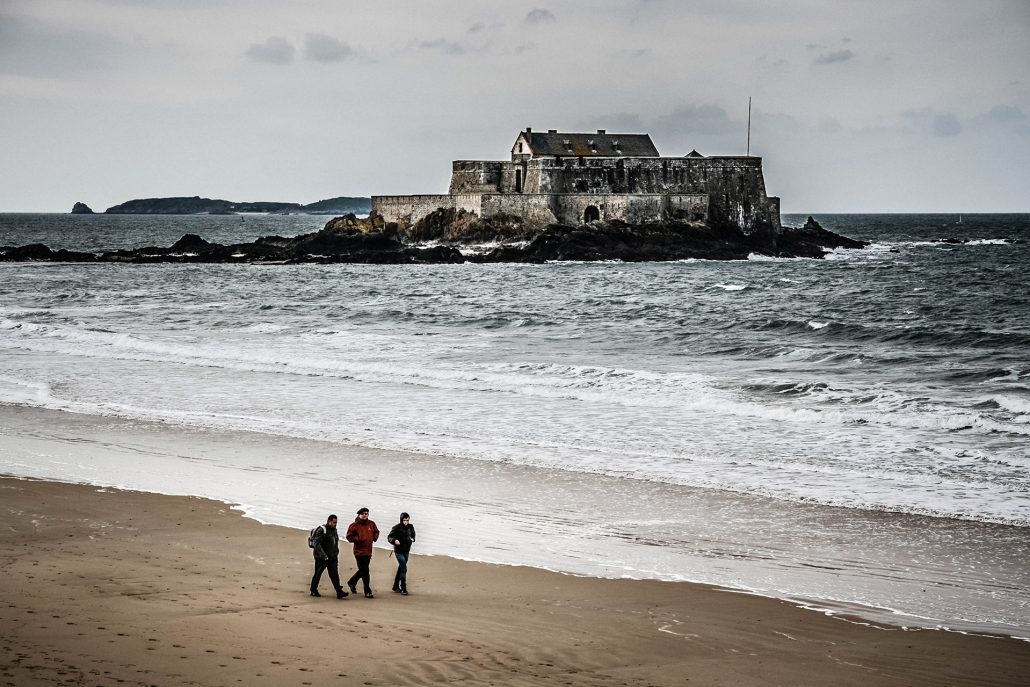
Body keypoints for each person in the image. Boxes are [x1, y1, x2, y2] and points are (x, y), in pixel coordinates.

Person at [310, 514, 348, 599]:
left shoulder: (334, 530)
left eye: (336, 522)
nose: (335, 524)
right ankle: (313, 590)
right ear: (329, 521)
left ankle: (339, 591)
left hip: (332, 557)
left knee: (334, 574)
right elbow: (317, 544)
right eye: (334, 522)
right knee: (318, 574)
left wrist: (336, 553)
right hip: (321, 557)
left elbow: (335, 542)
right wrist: (323, 555)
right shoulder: (322, 530)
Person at [346, 507, 379, 598]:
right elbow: (349, 537)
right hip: (359, 552)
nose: (365, 515)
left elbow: (376, 531)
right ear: (359, 514)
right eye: (363, 513)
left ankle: (352, 582)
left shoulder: (371, 524)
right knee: (365, 571)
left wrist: (374, 538)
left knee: (363, 570)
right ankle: (367, 591)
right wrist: (359, 539)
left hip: (368, 551)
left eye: (366, 513)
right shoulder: (354, 525)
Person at [387, 512, 416, 595]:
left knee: (401, 569)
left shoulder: (411, 527)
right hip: (398, 551)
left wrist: (413, 539)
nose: (406, 522)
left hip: (406, 551)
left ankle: (395, 586)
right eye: (404, 520)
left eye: (407, 520)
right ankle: (403, 587)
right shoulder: (396, 528)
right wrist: (394, 541)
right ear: (401, 520)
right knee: (404, 568)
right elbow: (389, 537)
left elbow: (413, 534)